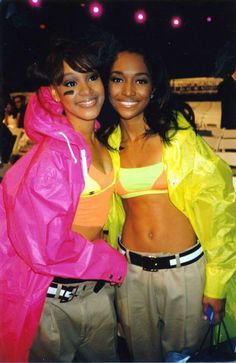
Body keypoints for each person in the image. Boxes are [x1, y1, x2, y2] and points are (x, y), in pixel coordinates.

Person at [97, 39, 236, 362]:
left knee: (185, 356)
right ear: (106, 84)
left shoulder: (178, 138)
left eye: (140, 80)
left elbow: (218, 210)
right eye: (118, 79)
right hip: (131, 275)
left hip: (184, 274)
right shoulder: (106, 145)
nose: (128, 90)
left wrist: (215, 284)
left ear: (153, 87)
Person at [0, 38, 127, 363]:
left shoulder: (98, 139)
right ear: (55, 93)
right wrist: (111, 262)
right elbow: (44, 248)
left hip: (97, 294)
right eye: (71, 83)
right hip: (56, 303)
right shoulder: (54, 157)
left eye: (91, 77)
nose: (86, 90)